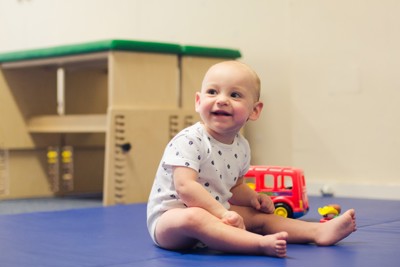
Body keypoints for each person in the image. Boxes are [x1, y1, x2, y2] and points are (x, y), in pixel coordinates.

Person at [146, 61, 356, 258]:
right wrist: (222, 213)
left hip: (217, 214)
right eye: (212, 92)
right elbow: (186, 187)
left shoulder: (241, 146)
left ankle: (317, 231)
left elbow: (235, 187)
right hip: (172, 220)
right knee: (194, 217)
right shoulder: (189, 140)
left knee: (258, 217)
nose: (221, 100)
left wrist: (254, 198)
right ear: (198, 101)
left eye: (235, 95)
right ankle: (258, 244)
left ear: (254, 111)